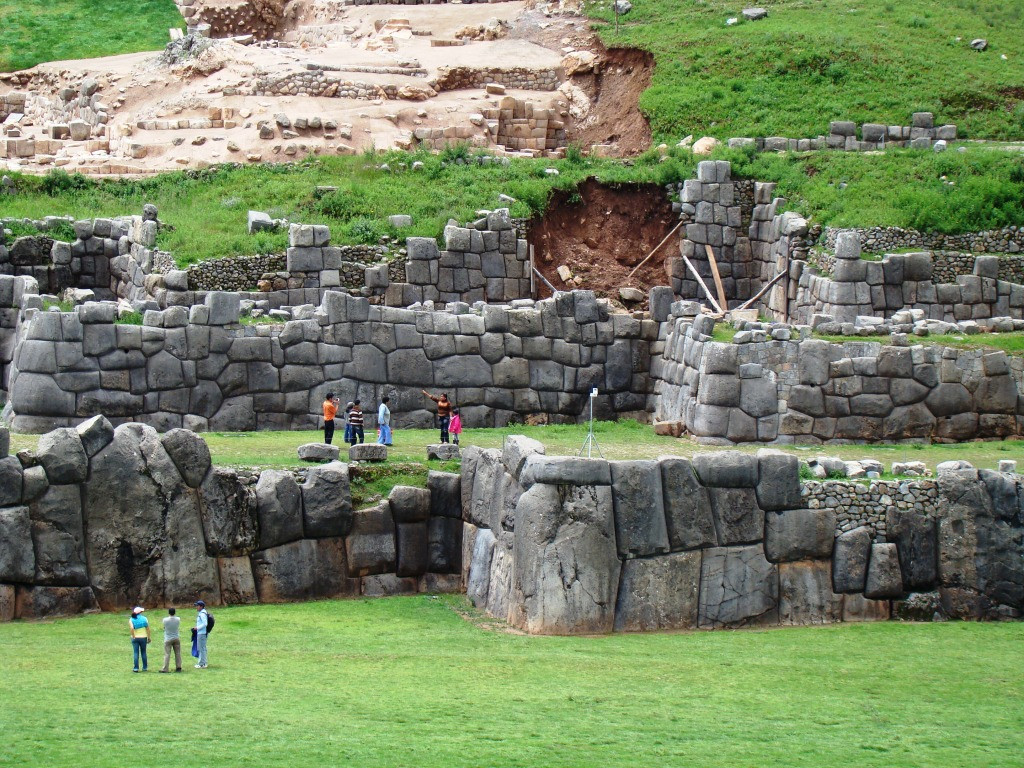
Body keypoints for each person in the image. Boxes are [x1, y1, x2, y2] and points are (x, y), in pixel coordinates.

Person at [159, 607, 182, 673]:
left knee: (167, 654)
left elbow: (164, 627)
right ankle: (178, 667)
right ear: (174, 612)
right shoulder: (178, 619)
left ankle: (165, 668)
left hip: (168, 638)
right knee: (177, 653)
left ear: (169, 613)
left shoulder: (165, 620)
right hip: (176, 638)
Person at [129, 606, 151, 673]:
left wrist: (133, 635)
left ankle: (136, 668)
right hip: (143, 637)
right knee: (143, 652)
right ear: (140, 612)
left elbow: (132, 628)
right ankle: (144, 667)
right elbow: (148, 629)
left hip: (135, 638)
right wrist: (149, 637)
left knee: (136, 652)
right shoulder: (144, 619)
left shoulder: (131, 619)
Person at [194, 600, 209, 669]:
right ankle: (204, 662)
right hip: (202, 633)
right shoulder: (202, 613)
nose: (196, 607)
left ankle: (201, 664)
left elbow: (205, 623)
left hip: (201, 633)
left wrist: (197, 628)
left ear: (201, 606)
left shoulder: (202, 614)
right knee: (203, 648)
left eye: (197, 606)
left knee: (201, 648)